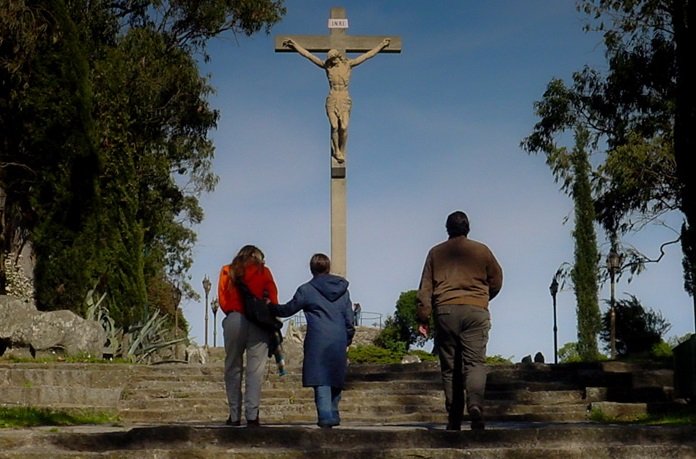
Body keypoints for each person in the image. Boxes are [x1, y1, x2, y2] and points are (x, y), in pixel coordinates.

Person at [416, 211, 503, 431]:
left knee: (450, 367)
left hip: (445, 311)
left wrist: (424, 316)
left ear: (447, 228)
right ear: (468, 228)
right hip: (476, 310)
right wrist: (482, 298)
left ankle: (454, 417)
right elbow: (497, 280)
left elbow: (425, 288)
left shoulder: (435, 253)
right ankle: (475, 405)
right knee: (475, 363)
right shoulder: (482, 251)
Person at [271, 253, 355, 428]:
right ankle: (333, 411)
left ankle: (325, 415)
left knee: (321, 377)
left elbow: (288, 309)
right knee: (335, 375)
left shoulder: (307, 290)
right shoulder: (343, 291)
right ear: (328, 267)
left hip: (318, 338)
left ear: (311, 269)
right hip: (338, 337)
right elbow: (349, 318)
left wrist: (269, 306)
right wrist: (347, 339)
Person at [282, 38, 391, 164]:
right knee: (334, 126)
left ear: (337, 57)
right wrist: (295, 45)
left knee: (344, 127)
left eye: (332, 59)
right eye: (330, 60)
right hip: (332, 98)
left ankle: (341, 150)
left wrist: (381, 45)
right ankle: (336, 152)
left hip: (344, 99)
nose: (331, 61)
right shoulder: (328, 67)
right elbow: (309, 56)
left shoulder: (348, 64)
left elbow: (367, 56)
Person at [217, 245, 279, 427]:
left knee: (233, 366)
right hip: (259, 323)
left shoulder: (228, 271)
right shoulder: (264, 272)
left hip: (234, 318)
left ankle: (234, 415)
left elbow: (223, 300)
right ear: (257, 256)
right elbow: (273, 300)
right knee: (255, 371)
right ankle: (252, 415)